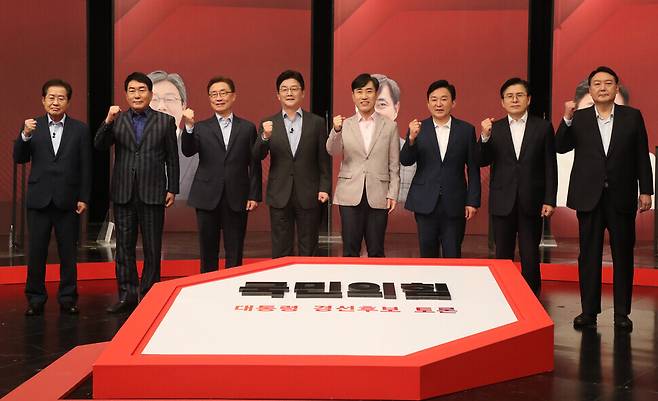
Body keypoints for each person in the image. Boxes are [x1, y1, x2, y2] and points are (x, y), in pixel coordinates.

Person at [556, 66, 652, 331]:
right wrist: (566, 119)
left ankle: (622, 313)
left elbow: (641, 155)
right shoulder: (581, 118)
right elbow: (560, 146)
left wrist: (646, 190)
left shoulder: (632, 117)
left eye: (607, 83)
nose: (602, 88)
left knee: (623, 255)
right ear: (590, 89)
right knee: (588, 255)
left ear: (616, 88)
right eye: (596, 84)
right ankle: (589, 312)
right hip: (589, 197)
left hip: (621, 196)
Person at [95, 72, 179, 313]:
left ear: (150, 94)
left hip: (153, 191)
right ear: (126, 94)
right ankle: (127, 295)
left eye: (142, 90)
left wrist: (172, 187)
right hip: (123, 192)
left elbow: (172, 158)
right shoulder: (117, 120)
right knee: (123, 247)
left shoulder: (165, 121)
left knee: (153, 247)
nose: (137, 94)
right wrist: (107, 121)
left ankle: (151, 294)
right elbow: (99, 145)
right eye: (132, 90)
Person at [13, 79, 92, 316]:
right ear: (43, 100)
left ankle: (68, 297)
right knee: (36, 252)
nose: (55, 102)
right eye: (51, 97)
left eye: (61, 98)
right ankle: (35, 299)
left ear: (68, 101)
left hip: (68, 200)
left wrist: (84, 197)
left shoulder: (80, 129)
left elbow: (86, 166)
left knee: (68, 252)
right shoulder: (32, 126)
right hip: (39, 199)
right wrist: (24, 135)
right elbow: (19, 157)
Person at [479, 78, 557, 295]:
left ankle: (531, 299)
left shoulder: (542, 127)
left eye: (519, 95)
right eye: (509, 96)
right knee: (502, 254)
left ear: (529, 99)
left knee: (530, 254)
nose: (515, 99)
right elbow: (481, 160)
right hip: (502, 200)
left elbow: (550, 165)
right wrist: (484, 136)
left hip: (531, 200)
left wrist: (549, 198)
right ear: (502, 102)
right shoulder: (495, 128)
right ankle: (503, 297)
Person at [180, 76, 261, 272]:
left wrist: (254, 194)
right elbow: (188, 150)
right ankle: (207, 285)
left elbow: (254, 162)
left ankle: (232, 286)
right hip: (206, 195)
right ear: (209, 98)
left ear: (233, 96)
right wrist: (189, 127)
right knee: (208, 249)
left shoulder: (247, 127)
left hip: (237, 195)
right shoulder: (200, 127)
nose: (218, 98)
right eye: (214, 94)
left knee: (235, 248)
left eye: (223, 93)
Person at [252, 70, 331, 257]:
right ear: (277, 95)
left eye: (294, 89)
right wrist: (264, 137)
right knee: (281, 247)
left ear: (302, 93)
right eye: (284, 89)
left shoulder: (317, 123)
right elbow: (257, 155)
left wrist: (325, 187)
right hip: (280, 193)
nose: (289, 93)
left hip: (309, 192)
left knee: (309, 246)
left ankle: (310, 283)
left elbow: (324, 159)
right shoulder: (268, 123)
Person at [400, 80, 480, 258]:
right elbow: (405, 160)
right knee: (427, 255)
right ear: (427, 103)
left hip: (454, 202)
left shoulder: (466, 130)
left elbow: (473, 169)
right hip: (425, 201)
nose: (438, 104)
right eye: (434, 99)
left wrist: (472, 201)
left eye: (444, 99)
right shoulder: (418, 128)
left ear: (453, 102)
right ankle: (428, 286)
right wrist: (411, 139)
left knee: (453, 254)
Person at [326, 73, 400, 257]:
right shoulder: (345, 124)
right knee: (350, 249)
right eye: (359, 92)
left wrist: (393, 192)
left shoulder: (389, 126)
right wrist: (336, 131)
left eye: (369, 91)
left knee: (376, 250)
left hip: (379, 193)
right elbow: (332, 150)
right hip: (349, 193)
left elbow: (394, 164)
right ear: (353, 96)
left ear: (376, 95)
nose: (364, 96)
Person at [148, 70, 198, 200]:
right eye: (154, 99)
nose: (161, 106)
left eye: (169, 99)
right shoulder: (127, 145)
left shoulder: (198, 149)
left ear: (183, 106)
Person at [371, 73, 415, 203]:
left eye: (381, 104)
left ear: (396, 109)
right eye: (368, 104)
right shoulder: (352, 148)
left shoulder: (412, 156)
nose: (373, 112)